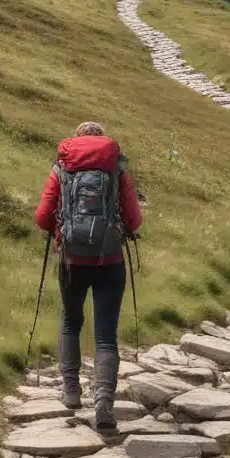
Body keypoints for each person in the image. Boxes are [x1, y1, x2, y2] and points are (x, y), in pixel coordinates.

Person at [34, 122, 143, 433]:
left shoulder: (62, 169)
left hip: (72, 261)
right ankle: (104, 405)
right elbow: (134, 220)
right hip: (110, 261)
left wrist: (59, 229)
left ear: (76, 141)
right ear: (103, 142)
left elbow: (43, 216)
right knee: (106, 335)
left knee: (71, 320)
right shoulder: (117, 170)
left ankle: (71, 392)